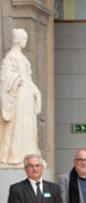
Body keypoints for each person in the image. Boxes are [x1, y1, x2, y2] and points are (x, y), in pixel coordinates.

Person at [0, 29, 43, 166]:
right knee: (19, 125)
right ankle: (15, 156)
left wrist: (35, 91)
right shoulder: (11, 57)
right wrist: (18, 80)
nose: (26, 41)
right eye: (24, 38)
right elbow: (5, 76)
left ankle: (28, 154)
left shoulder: (21, 57)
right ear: (18, 39)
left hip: (27, 96)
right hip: (19, 97)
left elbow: (28, 78)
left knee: (27, 127)